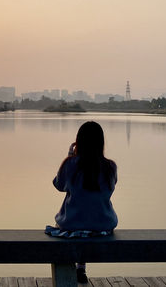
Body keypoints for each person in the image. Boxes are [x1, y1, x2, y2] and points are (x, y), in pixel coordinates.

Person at [47, 121, 118, 284]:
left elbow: (59, 185)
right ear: (101, 143)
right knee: (88, 217)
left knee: (74, 222)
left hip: (72, 225)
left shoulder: (71, 164)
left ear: (78, 142)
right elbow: (110, 188)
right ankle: (81, 268)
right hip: (104, 226)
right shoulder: (110, 167)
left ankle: (72, 272)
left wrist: (71, 158)